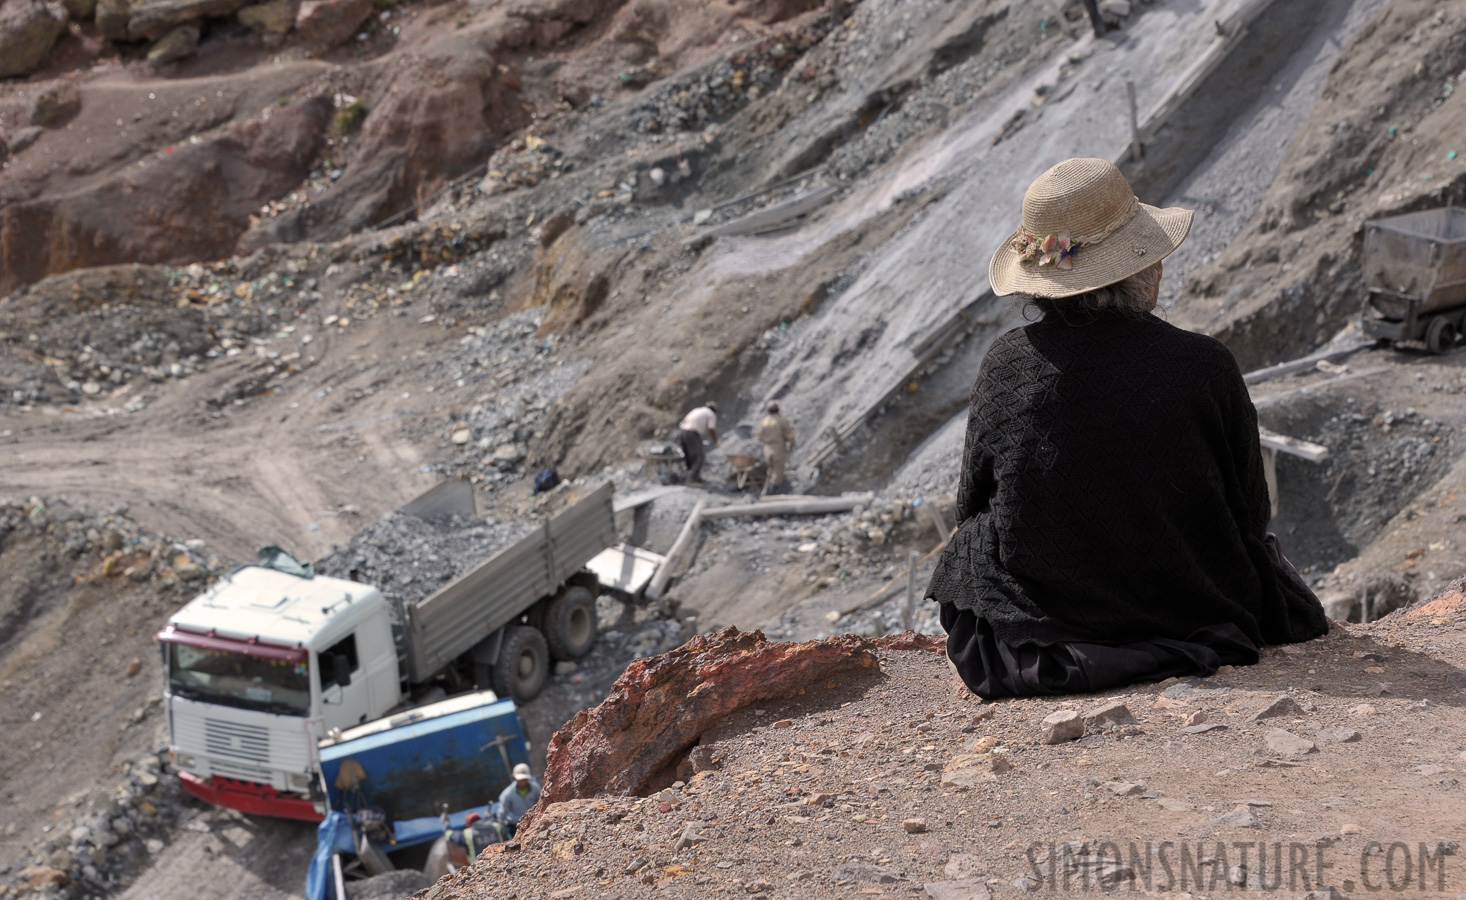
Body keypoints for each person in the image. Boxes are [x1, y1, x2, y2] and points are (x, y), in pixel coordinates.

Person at [926, 157, 1328, 699]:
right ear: (1144, 267)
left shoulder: (1004, 364)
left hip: (1048, 617)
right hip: (1192, 601)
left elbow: (972, 502)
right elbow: (1251, 511)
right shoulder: (1204, 364)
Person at [755, 401, 796, 494]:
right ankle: (770, 494)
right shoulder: (781, 420)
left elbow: (759, 437)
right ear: (778, 409)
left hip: (767, 450)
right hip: (778, 450)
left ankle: (766, 490)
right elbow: (789, 434)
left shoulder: (764, 421)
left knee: (771, 471)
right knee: (778, 474)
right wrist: (793, 443)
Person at [675, 401, 719, 485]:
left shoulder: (697, 410)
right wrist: (716, 440)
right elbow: (711, 428)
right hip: (692, 433)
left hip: (682, 432)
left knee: (689, 456)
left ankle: (692, 476)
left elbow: (684, 421)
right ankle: (691, 479)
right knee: (699, 457)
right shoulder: (711, 414)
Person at [497, 763, 541, 836]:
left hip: (534, 822)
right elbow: (503, 811)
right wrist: (501, 823)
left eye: (525, 779)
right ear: (515, 778)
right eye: (520, 779)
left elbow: (541, 802)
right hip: (515, 826)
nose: (523, 782)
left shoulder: (535, 789)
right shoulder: (507, 794)